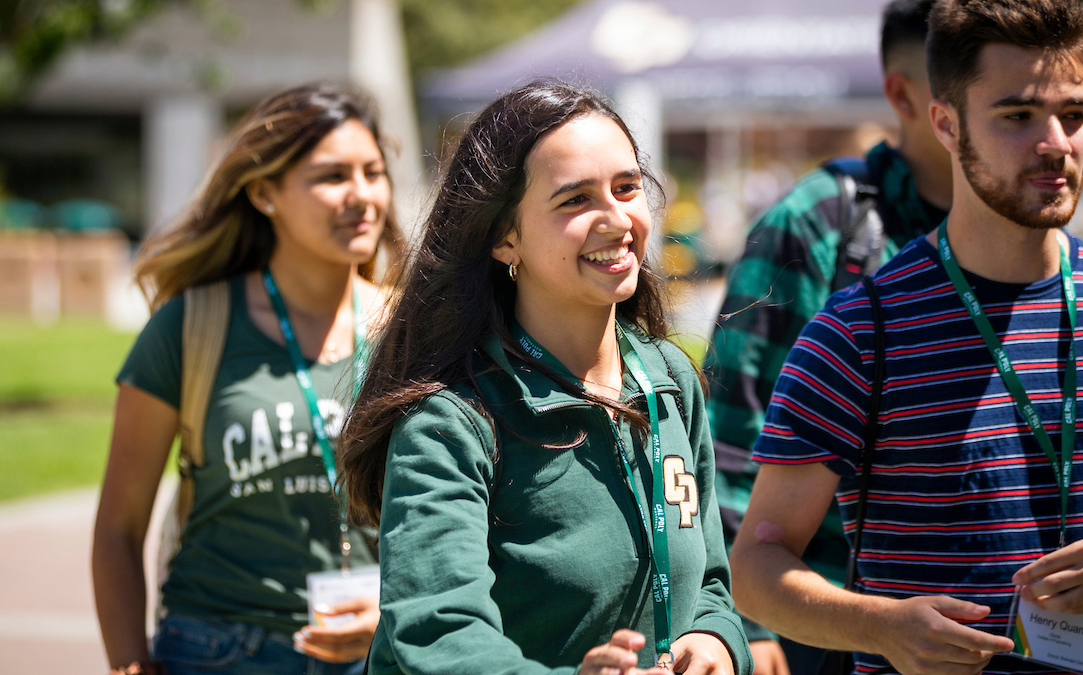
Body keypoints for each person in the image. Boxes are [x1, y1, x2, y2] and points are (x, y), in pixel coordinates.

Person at [730, 1, 1083, 673]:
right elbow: (754, 566)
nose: (1057, 143)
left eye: (1074, 114)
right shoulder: (859, 330)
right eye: (1018, 116)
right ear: (946, 124)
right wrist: (881, 625)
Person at [336, 79, 750, 675]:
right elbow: (435, 632)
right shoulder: (450, 421)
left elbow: (711, 583)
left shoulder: (669, 380)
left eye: (627, 187)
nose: (617, 218)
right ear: (506, 238)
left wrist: (715, 644)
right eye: (575, 200)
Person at [92, 83, 403, 675]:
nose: (362, 196)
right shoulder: (190, 327)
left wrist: (397, 607)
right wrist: (128, 662)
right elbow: (118, 526)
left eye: (373, 172)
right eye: (332, 176)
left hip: (379, 651)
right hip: (218, 651)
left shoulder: (411, 333)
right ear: (264, 193)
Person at [703, 2, 951, 672]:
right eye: (955, 82)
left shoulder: (1047, 248)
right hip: (823, 625)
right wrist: (745, 619)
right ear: (904, 94)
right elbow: (731, 432)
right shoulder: (819, 220)